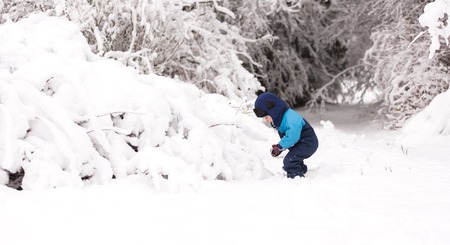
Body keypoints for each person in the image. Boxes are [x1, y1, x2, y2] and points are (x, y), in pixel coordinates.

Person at [253, 92, 319, 178]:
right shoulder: (282, 118)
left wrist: (280, 146)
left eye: (266, 117)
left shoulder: (291, 119)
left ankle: (295, 179)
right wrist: (279, 147)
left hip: (308, 143)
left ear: (273, 111)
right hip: (301, 143)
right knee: (294, 159)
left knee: (289, 161)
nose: (266, 120)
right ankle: (300, 171)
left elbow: (292, 137)